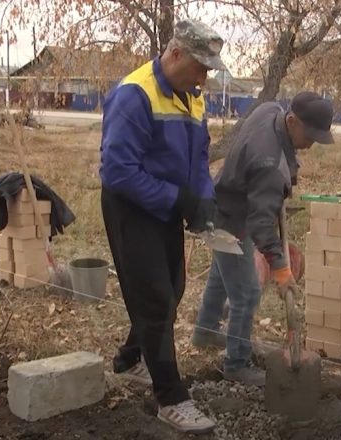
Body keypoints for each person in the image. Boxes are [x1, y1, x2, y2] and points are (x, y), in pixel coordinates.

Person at [98, 19, 227, 434]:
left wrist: (202, 198)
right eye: (200, 67)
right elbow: (118, 171)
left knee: (172, 290)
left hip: (168, 206)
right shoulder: (134, 94)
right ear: (173, 55)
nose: (204, 77)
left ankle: (130, 359)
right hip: (131, 207)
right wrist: (178, 200)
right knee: (154, 298)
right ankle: (171, 398)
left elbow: (200, 155)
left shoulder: (193, 98)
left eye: (208, 70)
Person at [191, 92, 335, 386]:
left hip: (221, 202)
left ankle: (205, 330)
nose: (310, 145)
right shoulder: (269, 164)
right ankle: (237, 363)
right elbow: (261, 225)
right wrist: (281, 270)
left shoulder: (271, 109)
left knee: (222, 275)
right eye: (310, 136)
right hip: (228, 219)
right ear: (292, 121)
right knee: (247, 294)